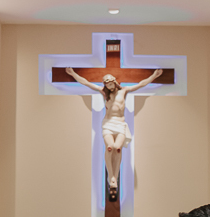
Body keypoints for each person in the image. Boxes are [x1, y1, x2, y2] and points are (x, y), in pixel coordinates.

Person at [65, 67, 163, 201]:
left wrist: (154, 76)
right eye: (107, 85)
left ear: (115, 82)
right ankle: (111, 177)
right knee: (110, 147)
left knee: (117, 148)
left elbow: (141, 84)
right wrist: (73, 73)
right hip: (108, 124)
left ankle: (114, 177)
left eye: (110, 84)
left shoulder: (124, 91)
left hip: (120, 124)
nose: (109, 87)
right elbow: (86, 83)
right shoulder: (103, 92)